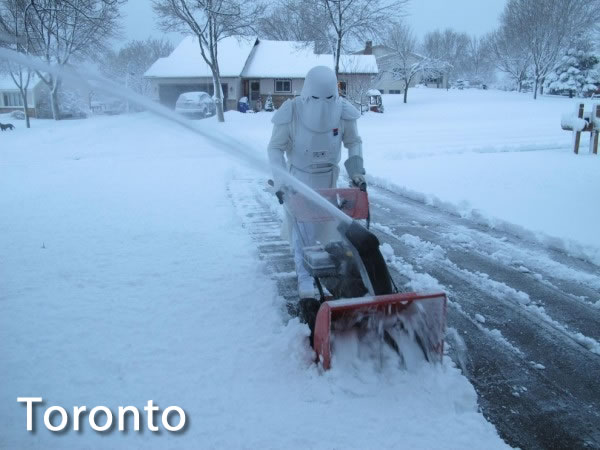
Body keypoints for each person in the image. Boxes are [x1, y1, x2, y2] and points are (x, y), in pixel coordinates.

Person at [267, 65, 366, 310]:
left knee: (336, 231)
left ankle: (344, 276)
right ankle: (305, 280)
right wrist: (281, 181)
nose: (323, 105)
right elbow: (275, 148)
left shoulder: (343, 112)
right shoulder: (291, 112)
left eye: (329, 98)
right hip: (299, 181)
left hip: (330, 181)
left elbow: (354, 142)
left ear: (336, 92)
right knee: (304, 233)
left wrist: (356, 172)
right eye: (316, 98)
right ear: (307, 92)